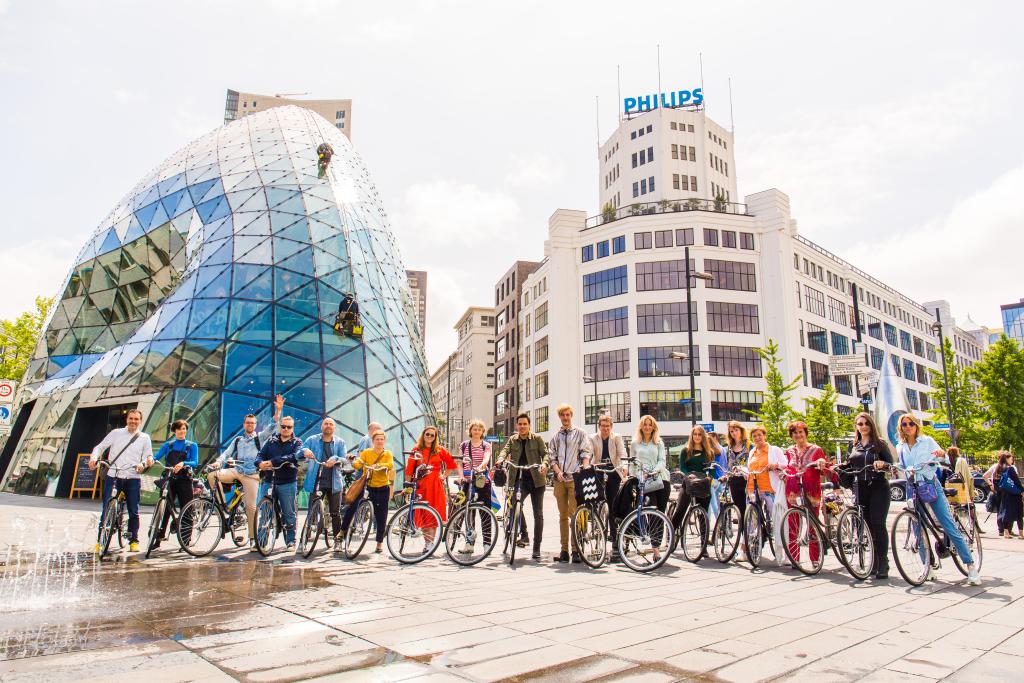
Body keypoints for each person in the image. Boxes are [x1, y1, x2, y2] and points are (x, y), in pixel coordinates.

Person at [896, 414, 981, 585]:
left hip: (930, 484)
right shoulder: (901, 447)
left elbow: (941, 457)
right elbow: (902, 466)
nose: (907, 426)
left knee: (948, 524)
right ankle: (928, 566)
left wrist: (941, 454)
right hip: (912, 487)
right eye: (904, 424)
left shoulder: (927, 441)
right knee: (917, 528)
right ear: (901, 427)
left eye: (910, 423)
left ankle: (970, 566)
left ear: (916, 425)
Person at [208, 395, 284, 545]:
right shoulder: (238, 440)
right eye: (248, 423)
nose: (250, 425)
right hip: (237, 471)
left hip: (251, 475)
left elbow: (272, 426)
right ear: (244, 424)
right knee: (212, 475)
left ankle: (252, 539)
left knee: (251, 507)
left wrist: (278, 410)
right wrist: (218, 462)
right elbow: (226, 454)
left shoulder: (260, 438)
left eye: (252, 423)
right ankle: (223, 506)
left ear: (255, 425)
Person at [89, 409, 154, 552]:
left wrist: (144, 463)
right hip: (114, 475)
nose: (133, 421)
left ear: (140, 421)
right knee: (106, 508)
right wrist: (94, 458)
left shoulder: (144, 437)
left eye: (136, 419)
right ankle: (101, 541)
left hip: (132, 477)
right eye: (131, 418)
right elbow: (100, 447)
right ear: (127, 419)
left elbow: (148, 455)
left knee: (133, 510)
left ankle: (133, 540)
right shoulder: (116, 433)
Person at [845, 412, 894, 579]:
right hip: (860, 488)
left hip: (878, 487)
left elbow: (891, 466)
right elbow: (848, 465)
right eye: (860, 424)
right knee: (867, 527)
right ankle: (873, 562)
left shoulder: (879, 444)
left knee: (878, 524)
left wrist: (883, 464)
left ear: (871, 425)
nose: (863, 426)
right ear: (856, 427)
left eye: (866, 423)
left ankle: (883, 563)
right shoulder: (853, 445)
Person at [495, 413, 549, 561]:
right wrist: (500, 459)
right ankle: (524, 534)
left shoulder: (537, 439)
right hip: (519, 479)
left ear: (529, 425)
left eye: (525, 424)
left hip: (537, 479)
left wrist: (544, 464)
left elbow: (545, 454)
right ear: (517, 425)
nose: (522, 426)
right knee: (514, 504)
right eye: (520, 424)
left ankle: (536, 547)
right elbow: (505, 451)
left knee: (538, 513)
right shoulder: (513, 440)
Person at [547, 404, 592, 563]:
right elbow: (552, 457)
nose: (565, 418)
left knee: (575, 515)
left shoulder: (580, 434)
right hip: (560, 480)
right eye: (562, 415)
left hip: (575, 479)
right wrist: (558, 471)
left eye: (567, 415)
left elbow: (585, 452)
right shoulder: (555, 437)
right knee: (563, 516)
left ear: (571, 415)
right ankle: (564, 550)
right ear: (559, 417)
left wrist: (585, 468)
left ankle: (576, 549)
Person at [341, 428, 395, 554]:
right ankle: (344, 530)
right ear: (373, 441)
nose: (380, 442)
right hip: (368, 486)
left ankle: (379, 543)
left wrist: (381, 466)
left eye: (382, 439)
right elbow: (359, 463)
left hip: (382, 487)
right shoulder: (366, 452)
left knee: (382, 515)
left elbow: (390, 464)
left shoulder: (387, 453)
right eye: (377, 439)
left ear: (384, 441)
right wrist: (353, 462)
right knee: (354, 505)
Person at [256, 416, 304, 549]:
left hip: (287, 482)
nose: (286, 429)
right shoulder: (271, 441)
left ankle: (290, 541)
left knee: (289, 513)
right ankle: (261, 542)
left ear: (292, 428)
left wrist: (274, 461)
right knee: (264, 512)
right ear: (280, 427)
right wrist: (259, 463)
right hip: (269, 481)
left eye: (289, 427)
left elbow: (295, 456)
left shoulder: (297, 442)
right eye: (283, 426)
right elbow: (260, 454)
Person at [151, 419, 199, 549]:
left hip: (184, 480)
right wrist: (150, 460)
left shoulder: (192, 445)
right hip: (170, 479)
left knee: (186, 509)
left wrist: (184, 463)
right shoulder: (168, 445)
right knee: (165, 508)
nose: (182, 431)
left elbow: (195, 462)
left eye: (184, 429)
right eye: (179, 429)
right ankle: (158, 538)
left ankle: (185, 540)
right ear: (174, 431)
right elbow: (156, 456)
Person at [628, 415, 671, 561]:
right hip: (645, 482)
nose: (647, 427)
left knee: (660, 514)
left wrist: (654, 471)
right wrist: (636, 477)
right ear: (641, 426)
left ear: (653, 427)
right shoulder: (634, 443)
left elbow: (662, 461)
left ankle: (656, 550)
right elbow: (632, 464)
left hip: (661, 480)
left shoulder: (658, 442)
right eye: (645, 424)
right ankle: (655, 548)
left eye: (650, 425)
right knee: (651, 511)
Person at [405, 426, 456, 544]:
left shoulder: (439, 450)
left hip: (435, 486)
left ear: (435, 437)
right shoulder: (416, 449)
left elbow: (451, 464)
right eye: (427, 434)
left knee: (434, 514)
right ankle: (428, 543)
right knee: (423, 515)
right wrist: (408, 485)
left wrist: (443, 476)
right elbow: (409, 469)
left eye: (432, 435)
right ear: (423, 435)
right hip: (421, 485)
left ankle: (430, 544)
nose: (429, 437)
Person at [302, 418, 349, 541]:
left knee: (335, 513)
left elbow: (345, 459)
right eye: (326, 424)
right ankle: (305, 539)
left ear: (334, 427)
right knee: (312, 511)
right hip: (316, 481)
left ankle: (338, 540)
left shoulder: (340, 442)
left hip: (335, 482)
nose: (328, 426)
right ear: (321, 426)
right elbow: (301, 450)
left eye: (331, 424)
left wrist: (336, 458)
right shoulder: (312, 440)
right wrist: (305, 451)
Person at [588, 415, 628, 560]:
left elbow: (622, 453)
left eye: (608, 426)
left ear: (611, 427)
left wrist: (624, 466)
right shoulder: (593, 437)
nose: (605, 428)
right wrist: (586, 464)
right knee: (595, 500)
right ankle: (596, 525)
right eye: (603, 426)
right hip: (598, 471)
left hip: (613, 472)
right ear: (599, 426)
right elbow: (589, 452)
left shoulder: (616, 437)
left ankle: (615, 540)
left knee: (613, 506)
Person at [746, 426, 787, 563]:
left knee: (777, 519)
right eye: (754, 436)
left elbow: (785, 464)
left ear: (764, 435)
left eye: (759, 435)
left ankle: (782, 552)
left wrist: (775, 465)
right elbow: (749, 469)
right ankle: (754, 546)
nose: (757, 438)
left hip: (769, 489)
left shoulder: (774, 450)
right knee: (752, 520)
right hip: (753, 489)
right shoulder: (752, 452)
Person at [671, 424, 719, 530]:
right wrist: (689, 475)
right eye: (695, 434)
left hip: (703, 484)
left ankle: (704, 542)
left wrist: (709, 477)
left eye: (699, 434)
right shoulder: (686, 450)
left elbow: (713, 468)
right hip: (688, 483)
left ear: (703, 436)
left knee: (703, 514)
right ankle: (672, 535)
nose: (697, 436)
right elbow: (682, 467)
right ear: (692, 436)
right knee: (680, 510)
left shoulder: (709, 452)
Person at [458, 420, 494, 544]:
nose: (477, 431)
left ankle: (487, 543)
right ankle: (469, 543)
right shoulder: (463, 445)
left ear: (482, 432)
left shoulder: (486, 445)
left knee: (485, 511)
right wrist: (461, 476)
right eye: (475, 429)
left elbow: (486, 458)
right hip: (467, 479)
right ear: (470, 431)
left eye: (479, 429)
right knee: (469, 512)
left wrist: (481, 467)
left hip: (481, 479)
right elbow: (460, 462)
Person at [723, 421, 751, 522]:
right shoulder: (729, 448)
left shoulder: (749, 446)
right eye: (731, 431)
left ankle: (761, 532)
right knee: (740, 510)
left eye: (736, 430)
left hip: (747, 480)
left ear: (741, 431)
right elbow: (727, 465)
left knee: (751, 507)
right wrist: (726, 475)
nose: (734, 433)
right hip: (733, 480)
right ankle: (744, 535)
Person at [994, 451, 1024, 539]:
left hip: (1005, 494)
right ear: (1007, 459)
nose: (1012, 460)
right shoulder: (1010, 468)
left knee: (1006, 513)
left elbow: (995, 481)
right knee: (1019, 513)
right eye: (1011, 458)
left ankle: (1006, 532)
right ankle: (1021, 533)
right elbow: (1016, 481)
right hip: (1015, 494)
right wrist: (1022, 490)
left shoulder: (999, 467)